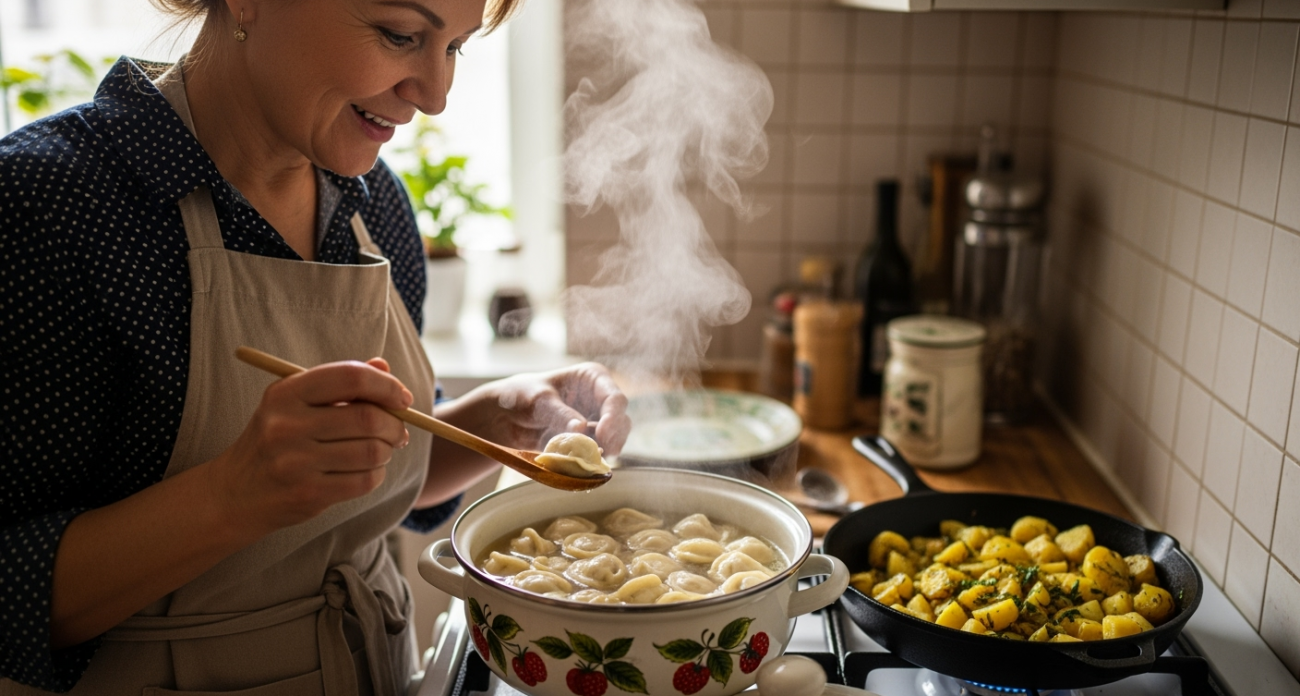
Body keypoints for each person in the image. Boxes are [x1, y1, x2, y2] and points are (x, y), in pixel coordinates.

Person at [0, 0, 631, 692]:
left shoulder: (372, 203)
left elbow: (364, 482)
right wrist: (232, 495)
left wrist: (491, 421)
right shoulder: (45, 205)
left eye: (454, 48)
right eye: (401, 35)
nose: (436, 96)